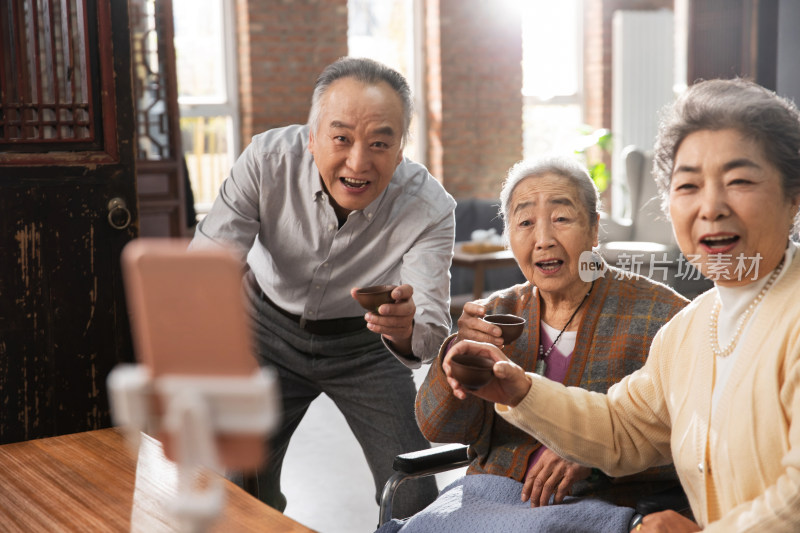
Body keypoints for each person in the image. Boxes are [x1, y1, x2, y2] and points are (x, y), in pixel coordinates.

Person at [443, 78, 800, 532]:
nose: (710, 207)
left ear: (794, 194)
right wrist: (518, 390)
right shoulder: (690, 329)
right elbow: (622, 429)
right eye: (688, 185)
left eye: (740, 181)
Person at [190, 57, 454, 517]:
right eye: (341, 138)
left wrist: (404, 327)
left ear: (400, 149)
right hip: (264, 330)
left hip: (365, 346)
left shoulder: (429, 207)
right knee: (241, 485)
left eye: (379, 143)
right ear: (311, 137)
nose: (358, 161)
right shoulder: (267, 161)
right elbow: (206, 269)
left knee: (413, 488)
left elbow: (430, 332)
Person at [377, 155, 689, 533]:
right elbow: (438, 427)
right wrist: (453, 364)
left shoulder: (665, 316)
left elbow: (696, 439)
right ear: (509, 236)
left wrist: (594, 452)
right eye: (525, 222)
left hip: (607, 503)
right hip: (494, 495)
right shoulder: (496, 312)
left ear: (594, 229)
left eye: (561, 219)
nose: (543, 240)